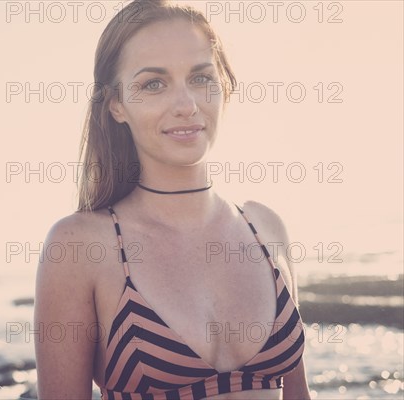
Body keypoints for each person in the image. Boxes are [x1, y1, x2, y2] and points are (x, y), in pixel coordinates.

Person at [34, 0, 311, 399]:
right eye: (153, 84)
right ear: (115, 105)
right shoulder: (80, 246)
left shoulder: (266, 227)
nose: (186, 105)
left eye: (200, 78)